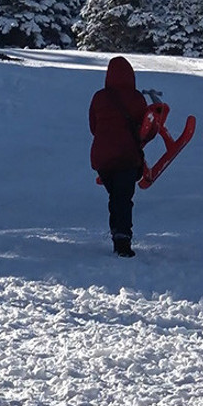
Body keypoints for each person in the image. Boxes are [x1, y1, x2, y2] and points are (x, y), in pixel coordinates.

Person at [89, 57, 147, 257]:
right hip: (126, 157)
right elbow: (145, 131)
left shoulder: (99, 97)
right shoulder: (137, 98)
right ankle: (122, 239)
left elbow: (93, 127)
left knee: (116, 197)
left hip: (102, 158)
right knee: (122, 198)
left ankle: (118, 234)